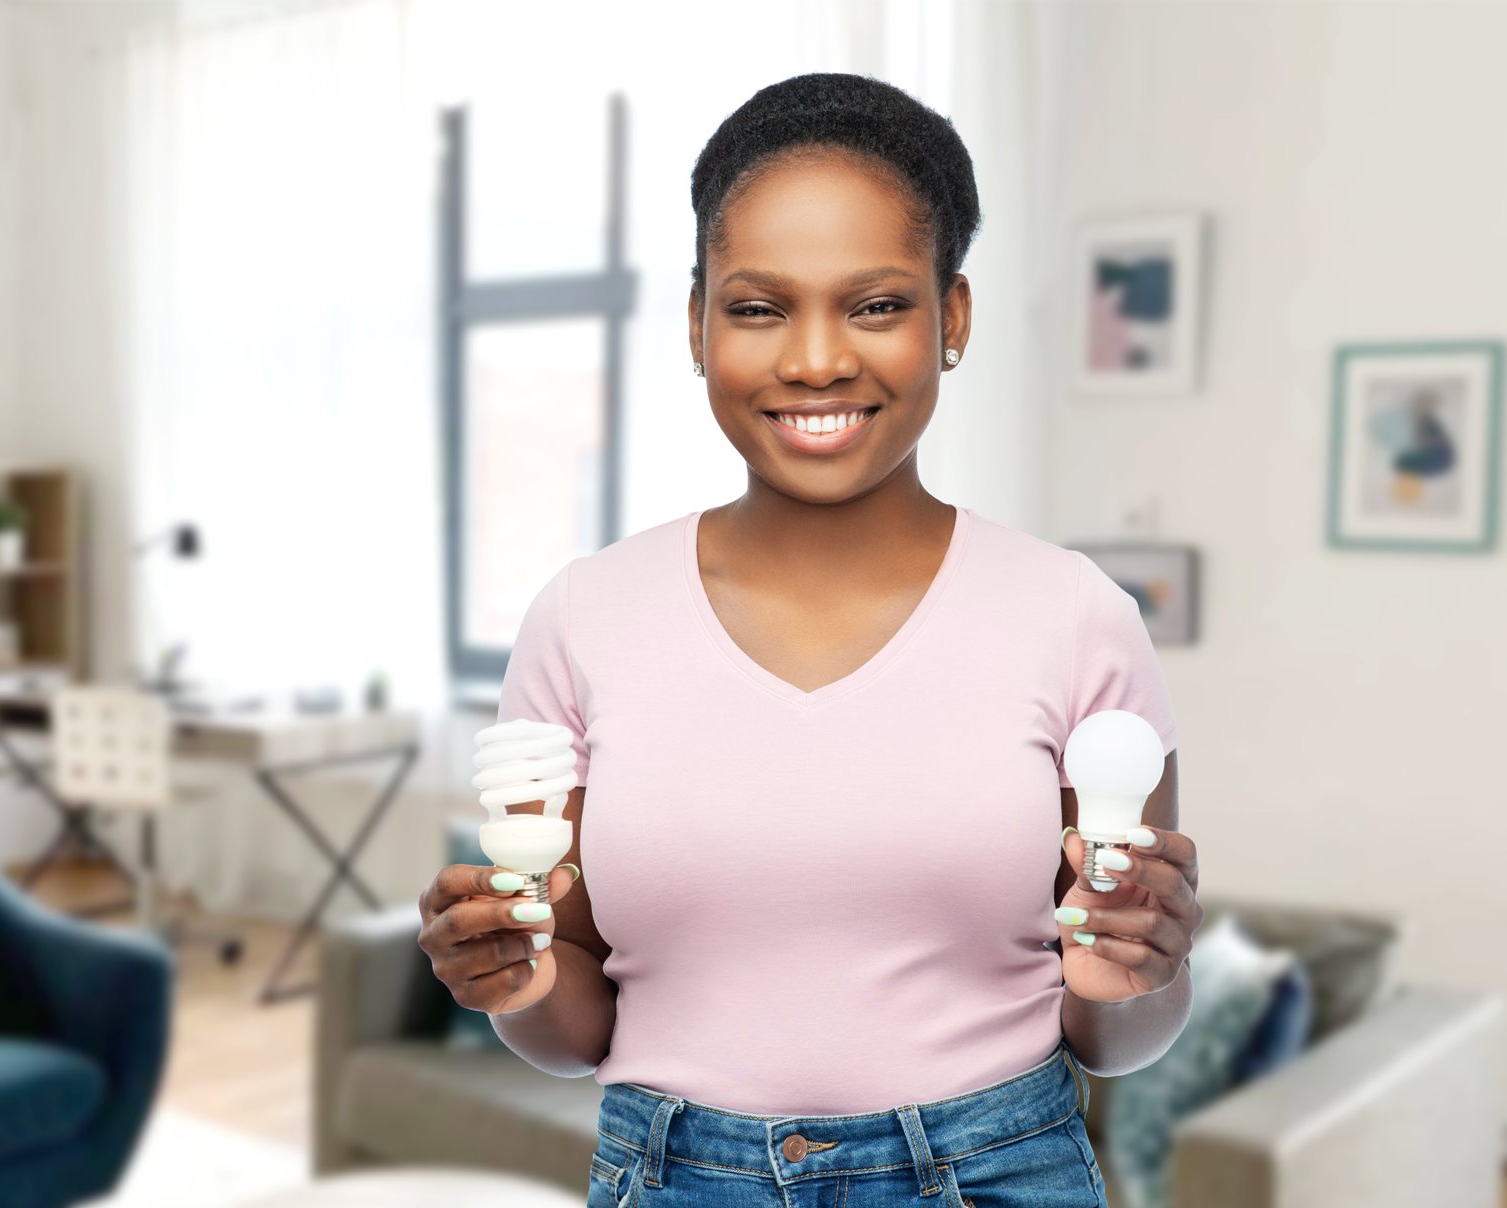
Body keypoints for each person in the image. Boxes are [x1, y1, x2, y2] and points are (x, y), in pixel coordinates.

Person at [419, 71, 1200, 1207]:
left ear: (955, 318)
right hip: (677, 1174)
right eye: (758, 306)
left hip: (998, 1169)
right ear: (697, 325)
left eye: (877, 303)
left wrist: (1136, 973)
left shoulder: (1077, 617)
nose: (817, 358)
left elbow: (1115, 1036)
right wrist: (510, 980)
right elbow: (576, 1022)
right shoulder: (584, 619)